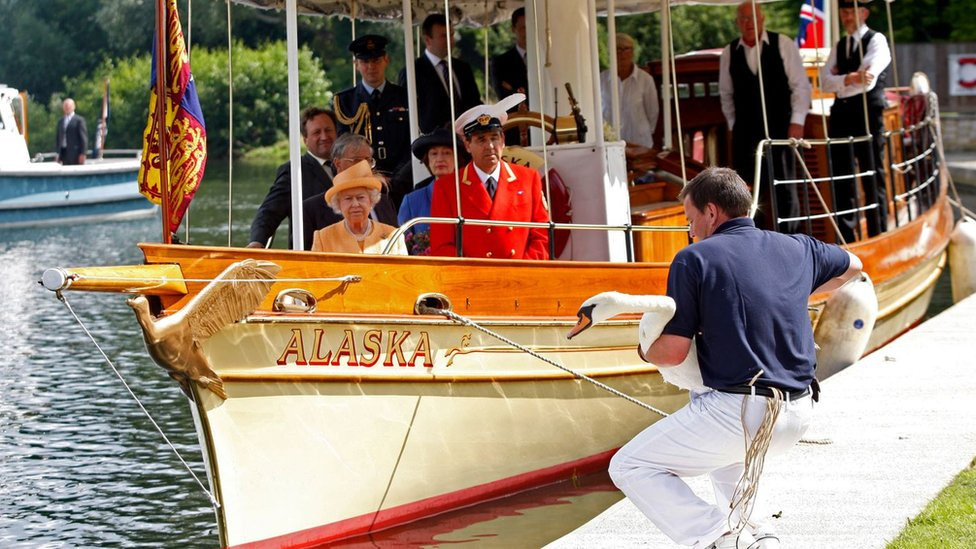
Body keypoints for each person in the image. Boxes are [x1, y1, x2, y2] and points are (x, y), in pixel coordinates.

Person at [609, 167, 861, 549]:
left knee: (630, 465)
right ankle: (759, 533)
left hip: (742, 413)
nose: (690, 230)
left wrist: (643, 348)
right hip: (799, 411)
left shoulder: (693, 259)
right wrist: (796, 287)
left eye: (691, 220)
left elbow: (674, 354)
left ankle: (724, 536)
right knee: (724, 451)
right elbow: (854, 267)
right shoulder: (797, 247)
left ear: (711, 212)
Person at [719, 1, 811, 231]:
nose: (749, 23)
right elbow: (726, 94)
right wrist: (733, 126)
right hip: (745, 135)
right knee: (747, 193)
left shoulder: (783, 44)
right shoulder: (729, 53)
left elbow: (801, 86)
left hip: (781, 129)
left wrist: (797, 122)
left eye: (753, 17)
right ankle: (753, 241)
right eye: (744, 19)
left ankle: (792, 242)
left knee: (785, 189)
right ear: (738, 23)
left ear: (762, 19)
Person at [428, 95, 550, 260]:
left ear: (503, 141)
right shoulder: (448, 187)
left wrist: (523, 271)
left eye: (494, 138)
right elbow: (442, 245)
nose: (490, 146)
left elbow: (541, 235)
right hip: (474, 280)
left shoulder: (528, 179)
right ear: (467, 145)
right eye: (481, 140)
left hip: (521, 277)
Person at [821, 0, 891, 241]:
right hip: (841, 116)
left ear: (864, 13)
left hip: (867, 115)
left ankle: (878, 234)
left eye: (851, 12)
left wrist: (840, 82)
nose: (847, 17)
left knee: (873, 174)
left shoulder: (877, 40)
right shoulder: (840, 45)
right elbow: (823, 82)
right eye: (844, 12)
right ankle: (847, 237)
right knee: (842, 176)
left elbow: (868, 81)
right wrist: (850, 78)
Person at [247, 106, 338, 249]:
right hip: (310, 256)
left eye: (328, 130)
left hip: (350, 252)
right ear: (305, 139)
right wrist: (257, 243)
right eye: (316, 132)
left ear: (336, 133)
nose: (324, 137)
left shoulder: (349, 165)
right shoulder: (294, 171)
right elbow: (269, 213)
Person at [302, 133, 398, 250]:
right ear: (338, 164)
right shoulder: (312, 209)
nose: (364, 166)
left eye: (368, 160)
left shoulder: (385, 202)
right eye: (356, 160)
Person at [333, 34, 411, 177]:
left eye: (376, 60)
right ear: (356, 65)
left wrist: (399, 177)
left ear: (386, 59)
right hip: (361, 177)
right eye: (365, 61)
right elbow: (344, 147)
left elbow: (411, 141)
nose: (371, 66)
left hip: (403, 178)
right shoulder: (344, 101)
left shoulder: (406, 97)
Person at [398, 14, 481, 134]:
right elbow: (408, 113)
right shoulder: (412, 72)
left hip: (466, 139)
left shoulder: (462, 68)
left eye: (451, 35)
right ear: (427, 40)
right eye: (444, 36)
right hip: (433, 143)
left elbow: (475, 103)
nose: (450, 41)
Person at [310, 160, 407, 255]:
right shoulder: (323, 237)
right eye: (348, 199)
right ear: (338, 204)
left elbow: (404, 271)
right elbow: (315, 271)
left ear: (371, 200)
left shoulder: (393, 235)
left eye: (360, 197)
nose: (355, 204)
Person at [398, 128, 457, 255]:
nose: (440, 159)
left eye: (447, 153)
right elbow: (401, 248)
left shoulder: (470, 195)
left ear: (457, 158)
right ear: (427, 160)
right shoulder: (411, 201)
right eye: (434, 154)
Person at [600, 33, 660, 149]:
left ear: (632, 52)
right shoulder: (601, 79)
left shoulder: (645, 80)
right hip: (610, 145)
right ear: (610, 53)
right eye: (617, 49)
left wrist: (642, 132)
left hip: (640, 144)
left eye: (625, 49)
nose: (621, 54)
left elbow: (653, 112)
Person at [491, 7, 529, 145]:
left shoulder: (548, 59)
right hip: (514, 132)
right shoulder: (501, 62)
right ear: (513, 29)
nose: (527, 32)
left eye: (530, 26)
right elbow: (504, 97)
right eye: (523, 27)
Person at [56, 98, 88, 165]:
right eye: (65, 106)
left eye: (68, 106)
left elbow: (83, 139)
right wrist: (57, 153)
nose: (67, 108)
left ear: (73, 107)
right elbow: (58, 138)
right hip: (63, 153)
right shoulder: (61, 121)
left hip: (76, 154)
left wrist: (83, 153)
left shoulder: (79, 120)